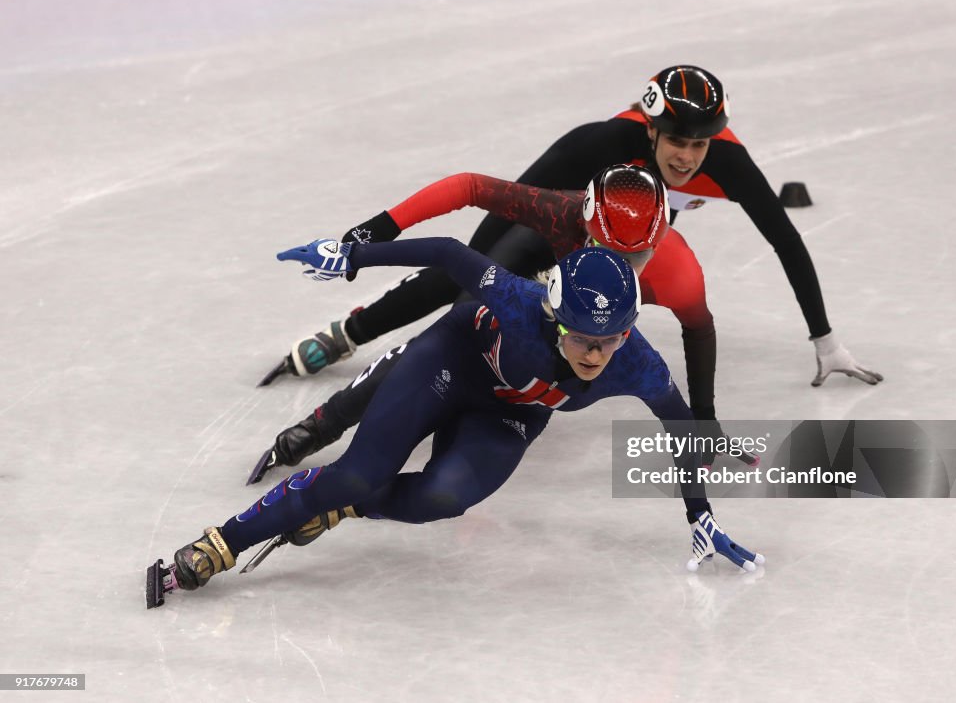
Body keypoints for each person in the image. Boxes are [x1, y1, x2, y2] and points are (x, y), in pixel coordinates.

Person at [147, 240, 764, 608]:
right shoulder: (521, 303)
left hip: (508, 415)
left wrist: (698, 513)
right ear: (554, 317)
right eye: (582, 337)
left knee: (443, 499)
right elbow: (446, 255)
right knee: (359, 474)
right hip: (450, 362)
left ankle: (336, 509)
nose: (596, 354)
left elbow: (683, 432)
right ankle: (220, 544)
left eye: (611, 339)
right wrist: (352, 256)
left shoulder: (638, 366)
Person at [265, 64, 881, 393]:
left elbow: (785, 240)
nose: (689, 157)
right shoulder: (597, 144)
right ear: (648, 130)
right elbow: (479, 202)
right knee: (464, 274)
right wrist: (370, 234)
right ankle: (350, 332)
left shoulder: (727, 162)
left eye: (700, 144)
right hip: (571, 208)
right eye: (677, 142)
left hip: (635, 231)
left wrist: (825, 339)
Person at [248, 164, 761, 486]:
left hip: (568, 318)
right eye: (606, 248)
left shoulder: (679, 274)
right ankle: (322, 419)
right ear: (584, 224)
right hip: (537, 269)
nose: (621, 267)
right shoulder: (561, 214)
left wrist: (704, 419)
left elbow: (699, 330)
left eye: (638, 256)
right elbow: (470, 187)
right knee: (455, 304)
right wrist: (377, 232)